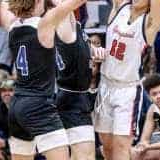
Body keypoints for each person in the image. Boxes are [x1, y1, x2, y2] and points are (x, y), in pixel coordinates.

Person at [7, 0, 86, 159]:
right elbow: (73, 3)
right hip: (38, 104)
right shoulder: (44, 24)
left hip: (16, 105)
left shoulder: (12, 26)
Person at [93, 0, 160, 159]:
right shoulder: (120, 7)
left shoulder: (150, 22)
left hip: (127, 90)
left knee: (121, 146)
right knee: (107, 146)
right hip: (105, 85)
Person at [54, 0, 96, 159]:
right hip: (72, 97)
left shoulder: (71, 20)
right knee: (85, 156)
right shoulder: (63, 18)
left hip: (74, 96)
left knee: (80, 156)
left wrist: (93, 52)